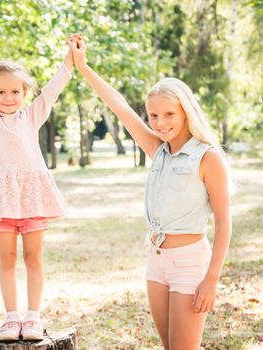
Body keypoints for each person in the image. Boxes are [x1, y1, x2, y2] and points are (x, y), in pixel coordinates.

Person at [69, 34, 231, 349]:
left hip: (190, 264)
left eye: (169, 114)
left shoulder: (207, 157)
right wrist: (83, 67)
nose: (160, 122)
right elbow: (117, 105)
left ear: (186, 112)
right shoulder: (158, 150)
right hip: (156, 261)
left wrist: (211, 279)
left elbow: (224, 222)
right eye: (154, 115)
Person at [0, 28, 73, 340]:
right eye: (1, 92)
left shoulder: (33, 116)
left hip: (32, 198)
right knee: (6, 259)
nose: (9, 98)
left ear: (25, 94)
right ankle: (11, 318)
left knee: (34, 257)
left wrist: (71, 56)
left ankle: (32, 316)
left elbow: (55, 87)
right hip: (1, 201)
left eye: (15, 92)